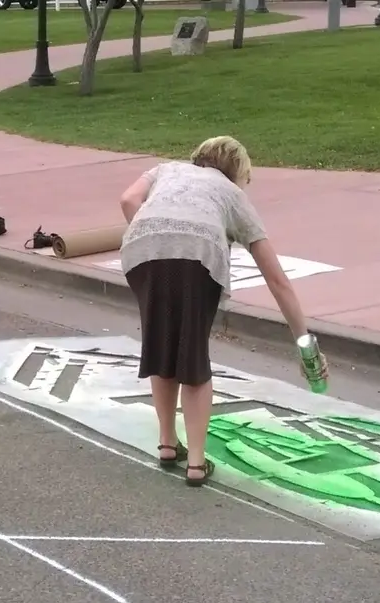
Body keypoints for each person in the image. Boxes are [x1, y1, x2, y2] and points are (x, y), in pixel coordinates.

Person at [117, 136, 313, 487]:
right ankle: (195, 462)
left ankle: (166, 442)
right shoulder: (232, 194)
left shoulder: (167, 169)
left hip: (141, 250)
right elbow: (277, 279)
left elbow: (128, 198)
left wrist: (158, 232)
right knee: (192, 355)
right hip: (198, 258)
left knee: (161, 344)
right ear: (238, 171)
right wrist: (305, 342)